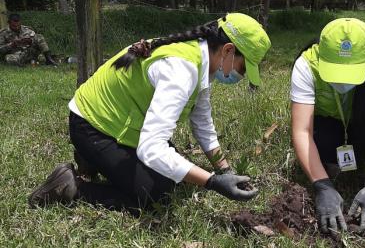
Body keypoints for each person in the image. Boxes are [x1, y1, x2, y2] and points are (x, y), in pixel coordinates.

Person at [28, 13, 271, 214]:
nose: (242, 75)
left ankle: (94, 160)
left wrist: (224, 170)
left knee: (174, 171)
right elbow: (152, 149)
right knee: (157, 194)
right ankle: (72, 188)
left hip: (117, 124)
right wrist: (213, 182)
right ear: (228, 50)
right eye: (243, 67)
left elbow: (201, 119)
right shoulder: (181, 70)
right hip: (92, 126)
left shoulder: (201, 59)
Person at [290, 18, 365, 235]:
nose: (342, 82)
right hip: (331, 126)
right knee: (324, 142)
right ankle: (333, 165)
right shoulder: (306, 64)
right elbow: (302, 131)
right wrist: (322, 186)